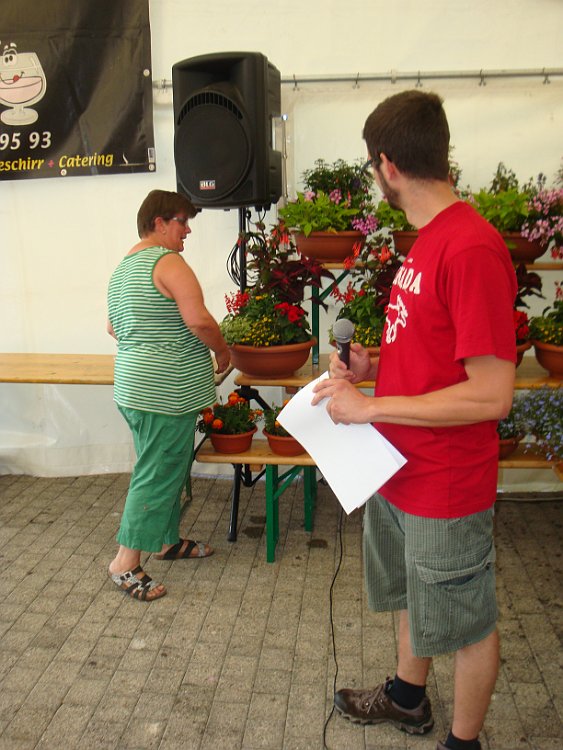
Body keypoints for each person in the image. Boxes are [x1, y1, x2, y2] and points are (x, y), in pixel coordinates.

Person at [312, 91, 517, 750]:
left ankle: (463, 742)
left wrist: (370, 407)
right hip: (398, 469)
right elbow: (435, 353)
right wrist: (371, 365)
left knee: (466, 621)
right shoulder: (430, 240)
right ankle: (406, 698)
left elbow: (491, 395)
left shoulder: (470, 247)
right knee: (409, 594)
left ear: (387, 166)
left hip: (444, 483)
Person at [106, 189, 230, 602]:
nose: (187, 230)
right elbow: (199, 320)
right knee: (157, 472)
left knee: (166, 466)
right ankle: (125, 562)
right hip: (164, 394)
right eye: (182, 221)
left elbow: (113, 328)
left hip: (134, 389)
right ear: (159, 223)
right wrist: (222, 350)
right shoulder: (167, 261)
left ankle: (165, 541)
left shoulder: (124, 267)